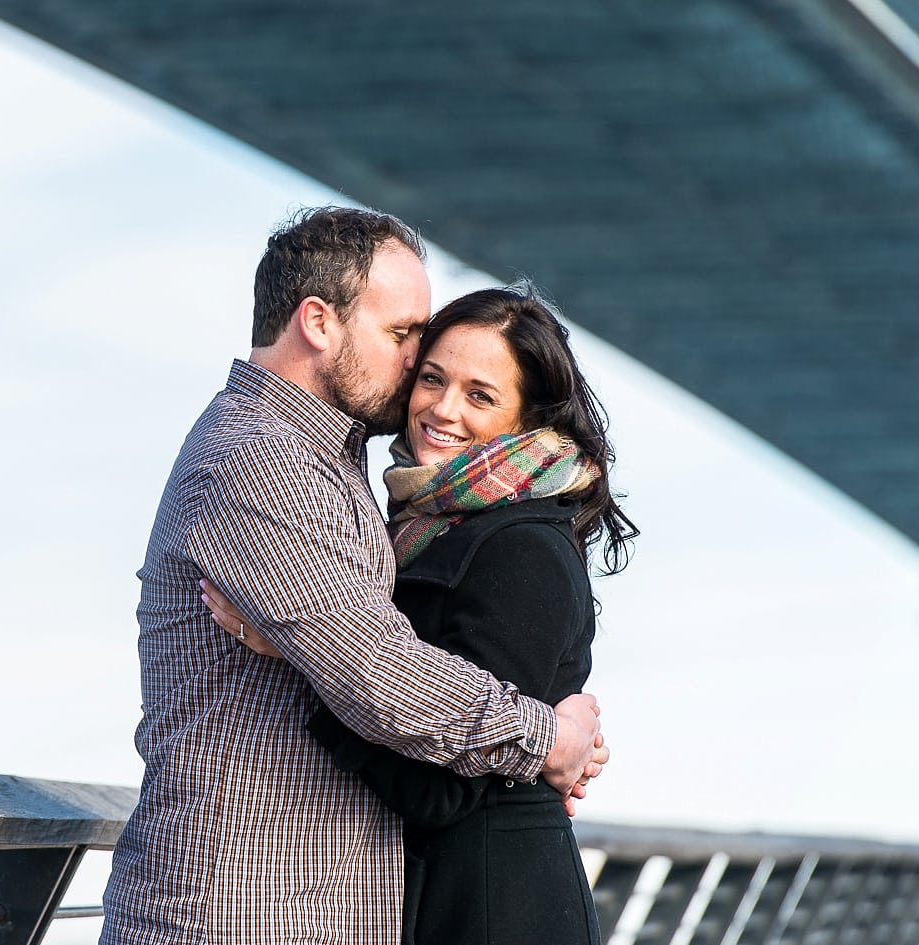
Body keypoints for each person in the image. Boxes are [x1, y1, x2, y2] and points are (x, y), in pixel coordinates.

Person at [98, 207, 608, 945]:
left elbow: (376, 658)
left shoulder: (337, 466)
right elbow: (379, 673)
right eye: (404, 337)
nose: (415, 368)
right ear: (318, 322)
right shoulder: (260, 459)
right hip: (236, 915)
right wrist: (547, 739)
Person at [208, 283, 638, 944]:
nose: (442, 409)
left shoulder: (524, 548)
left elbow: (440, 792)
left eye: (480, 395)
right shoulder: (428, 527)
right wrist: (552, 737)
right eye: (432, 379)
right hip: (443, 896)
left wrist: (302, 644)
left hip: (493, 909)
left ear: (526, 421)